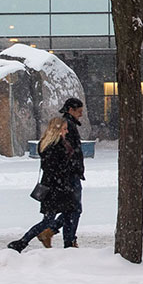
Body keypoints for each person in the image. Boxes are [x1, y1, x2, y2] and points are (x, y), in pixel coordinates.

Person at [8, 117, 77, 252]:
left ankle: (27, 240)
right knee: (55, 217)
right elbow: (56, 167)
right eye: (64, 129)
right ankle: (25, 241)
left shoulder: (46, 144)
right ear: (57, 130)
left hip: (54, 187)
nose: (67, 131)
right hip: (57, 188)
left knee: (66, 214)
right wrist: (68, 169)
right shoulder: (56, 146)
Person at [53, 97, 86, 248]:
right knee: (74, 209)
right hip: (71, 174)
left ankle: (54, 230)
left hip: (71, 172)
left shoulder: (69, 124)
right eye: (79, 111)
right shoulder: (68, 125)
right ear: (71, 110)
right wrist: (75, 167)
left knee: (72, 208)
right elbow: (70, 151)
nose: (81, 114)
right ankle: (67, 238)